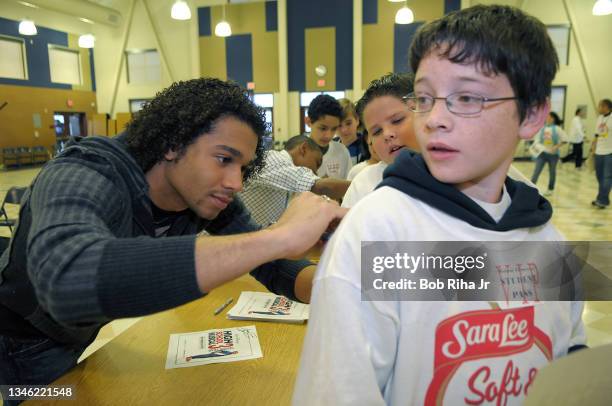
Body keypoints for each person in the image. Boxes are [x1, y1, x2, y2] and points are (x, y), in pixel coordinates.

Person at [293, 6, 585, 405]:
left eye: (466, 97)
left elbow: (568, 358)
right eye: (426, 98)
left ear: (532, 114)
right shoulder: (379, 233)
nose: (434, 119)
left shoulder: (549, 243)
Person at [0, 78, 346, 392]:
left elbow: (272, 267)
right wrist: (278, 237)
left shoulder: (204, 195)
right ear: (171, 144)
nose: (236, 183)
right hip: (25, 339)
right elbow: (68, 280)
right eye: (224, 159)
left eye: (242, 167)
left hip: (86, 332)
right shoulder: (86, 171)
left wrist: (347, 287)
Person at [342, 73, 417, 208]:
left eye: (397, 120)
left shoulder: (452, 173)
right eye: (377, 132)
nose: (387, 134)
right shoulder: (364, 183)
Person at [239, 135, 350, 226]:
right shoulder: (276, 160)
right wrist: (361, 184)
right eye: (317, 163)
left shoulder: (286, 174)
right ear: (303, 149)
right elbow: (320, 187)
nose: (315, 172)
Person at [306, 95, 352, 179]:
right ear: (309, 122)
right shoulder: (297, 154)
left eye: (334, 129)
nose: (328, 135)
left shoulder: (342, 151)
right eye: (323, 128)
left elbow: (349, 188)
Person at [530, 111, 567, 196]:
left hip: (553, 155)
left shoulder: (557, 129)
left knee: (552, 172)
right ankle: (531, 188)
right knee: (536, 171)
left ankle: (550, 189)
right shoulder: (542, 128)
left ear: (553, 119)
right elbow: (537, 140)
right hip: (542, 154)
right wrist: (538, 147)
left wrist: (556, 147)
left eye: (548, 117)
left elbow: (565, 140)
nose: (546, 118)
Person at [591, 98, 612, 209]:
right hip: (599, 151)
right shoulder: (599, 118)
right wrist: (593, 148)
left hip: (610, 152)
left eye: (600, 106)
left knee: (607, 177)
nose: (599, 108)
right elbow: (596, 134)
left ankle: (602, 200)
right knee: (600, 176)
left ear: (606, 107)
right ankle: (603, 198)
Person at [336, 98, 362, 165]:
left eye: (348, 123)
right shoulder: (329, 148)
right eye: (339, 125)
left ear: (357, 120)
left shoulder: (369, 147)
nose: (344, 130)